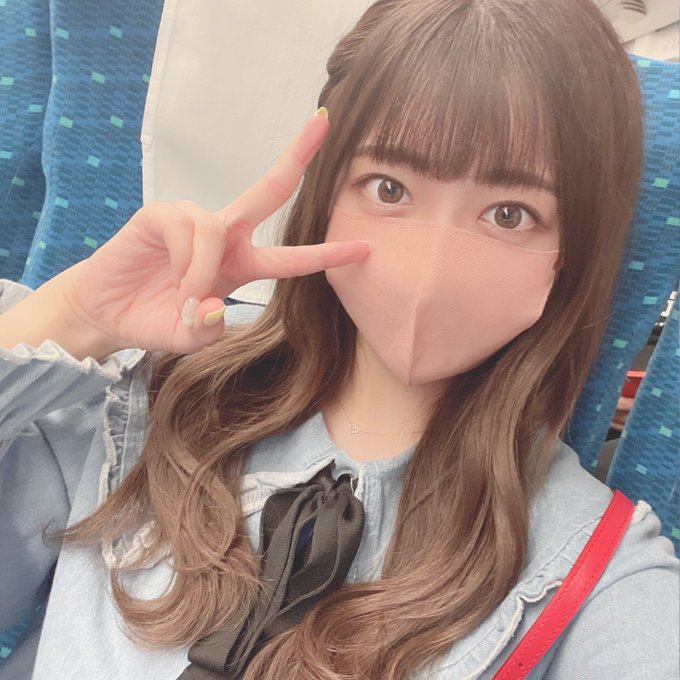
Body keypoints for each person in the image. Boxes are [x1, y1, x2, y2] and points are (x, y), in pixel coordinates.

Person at [0, 0, 678, 678]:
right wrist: (74, 316)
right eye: (389, 188)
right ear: (326, 195)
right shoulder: (140, 396)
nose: (431, 270)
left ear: (572, 252)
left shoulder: (599, 569)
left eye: (509, 213)